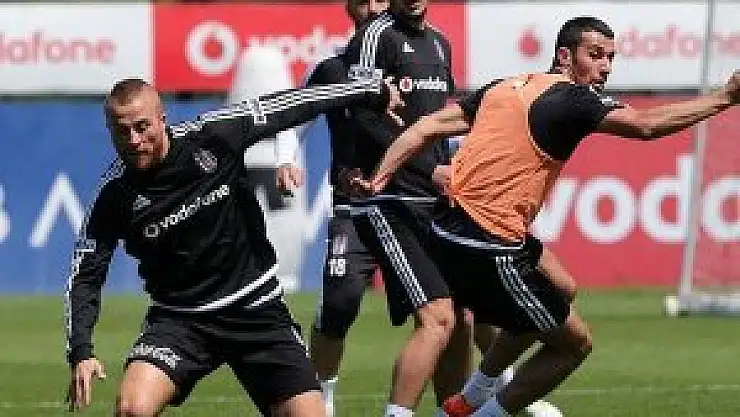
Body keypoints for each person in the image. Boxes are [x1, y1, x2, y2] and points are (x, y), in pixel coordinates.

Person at [356, 15, 740, 416]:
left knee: (561, 286)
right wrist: (725, 97)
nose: (605, 67)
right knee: (575, 344)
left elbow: (426, 127)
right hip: (487, 243)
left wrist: (379, 177)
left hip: (447, 227)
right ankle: (480, 411)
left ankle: (475, 392)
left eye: (610, 57)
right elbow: (645, 125)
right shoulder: (572, 98)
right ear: (564, 56)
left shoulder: (505, 86)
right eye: (595, 55)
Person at [64, 76, 400, 416]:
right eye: (122, 131)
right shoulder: (113, 194)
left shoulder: (213, 134)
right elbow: (85, 275)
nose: (134, 141)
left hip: (256, 309)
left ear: (162, 118)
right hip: (180, 321)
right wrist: (81, 351)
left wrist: (369, 90)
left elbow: (289, 106)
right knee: (132, 409)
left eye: (142, 127)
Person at [274, 1, 392, 416]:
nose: (373, 7)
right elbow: (293, 116)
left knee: (457, 307)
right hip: (353, 207)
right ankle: (321, 399)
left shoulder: (418, 57)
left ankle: (499, 389)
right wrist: (286, 157)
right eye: (364, 0)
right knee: (340, 302)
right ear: (349, 8)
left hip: (413, 206)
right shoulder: (331, 69)